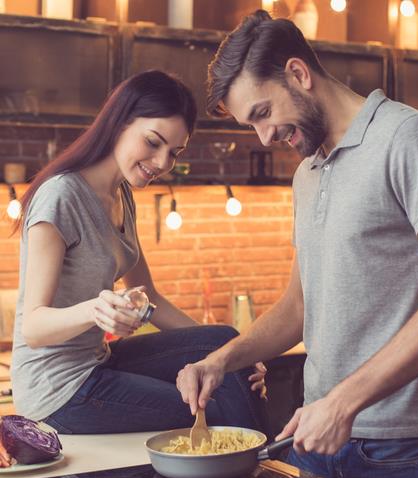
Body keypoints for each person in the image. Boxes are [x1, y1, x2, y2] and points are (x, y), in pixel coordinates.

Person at [176, 10, 418, 478]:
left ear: (298, 74)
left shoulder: (407, 139)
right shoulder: (308, 172)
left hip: (403, 455)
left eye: (262, 113)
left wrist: (343, 404)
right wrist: (221, 359)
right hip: (317, 444)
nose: (264, 137)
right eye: (250, 124)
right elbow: (298, 308)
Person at [11, 70, 266, 436]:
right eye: (153, 142)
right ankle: (260, 472)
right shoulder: (61, 196)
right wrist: (96, 309)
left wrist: (235, 356)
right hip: (59, 390)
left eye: (173, 152)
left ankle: (261, 464)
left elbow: (152, 299)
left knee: (224, 339)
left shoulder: (121, 194)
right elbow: (33, 327)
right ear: (119, 123)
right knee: (217, 406)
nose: (163, 162)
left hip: (98, 363)